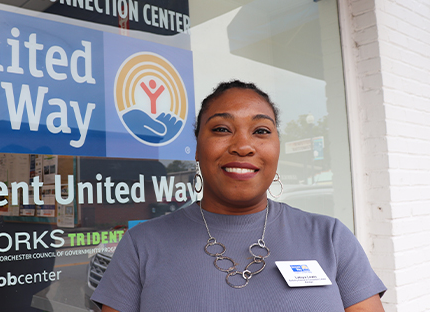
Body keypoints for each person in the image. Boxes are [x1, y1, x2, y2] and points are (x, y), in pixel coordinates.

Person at [91, 80, 386, 311]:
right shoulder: (142, 245)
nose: (243, 146)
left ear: (277, 147)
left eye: (261, 130)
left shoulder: (331, 238)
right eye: (221, 129)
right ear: (196, 148)